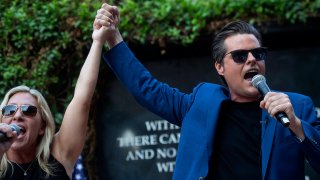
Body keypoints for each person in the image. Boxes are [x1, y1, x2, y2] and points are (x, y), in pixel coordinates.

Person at [95, 3, 320, 180]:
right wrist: (114, 38)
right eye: (240, 56)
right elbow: (147, 89)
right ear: (220, 67)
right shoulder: (200, 103)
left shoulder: (296, 107)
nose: (252, 60)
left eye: (258, 53)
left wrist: (296, 126)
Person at [0, 13, 110, 179]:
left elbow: (82, 99)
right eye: (9, 110)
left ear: (42, 127)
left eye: (28, 110)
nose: (18, 115)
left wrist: (97, 41)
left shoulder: (59, 154)